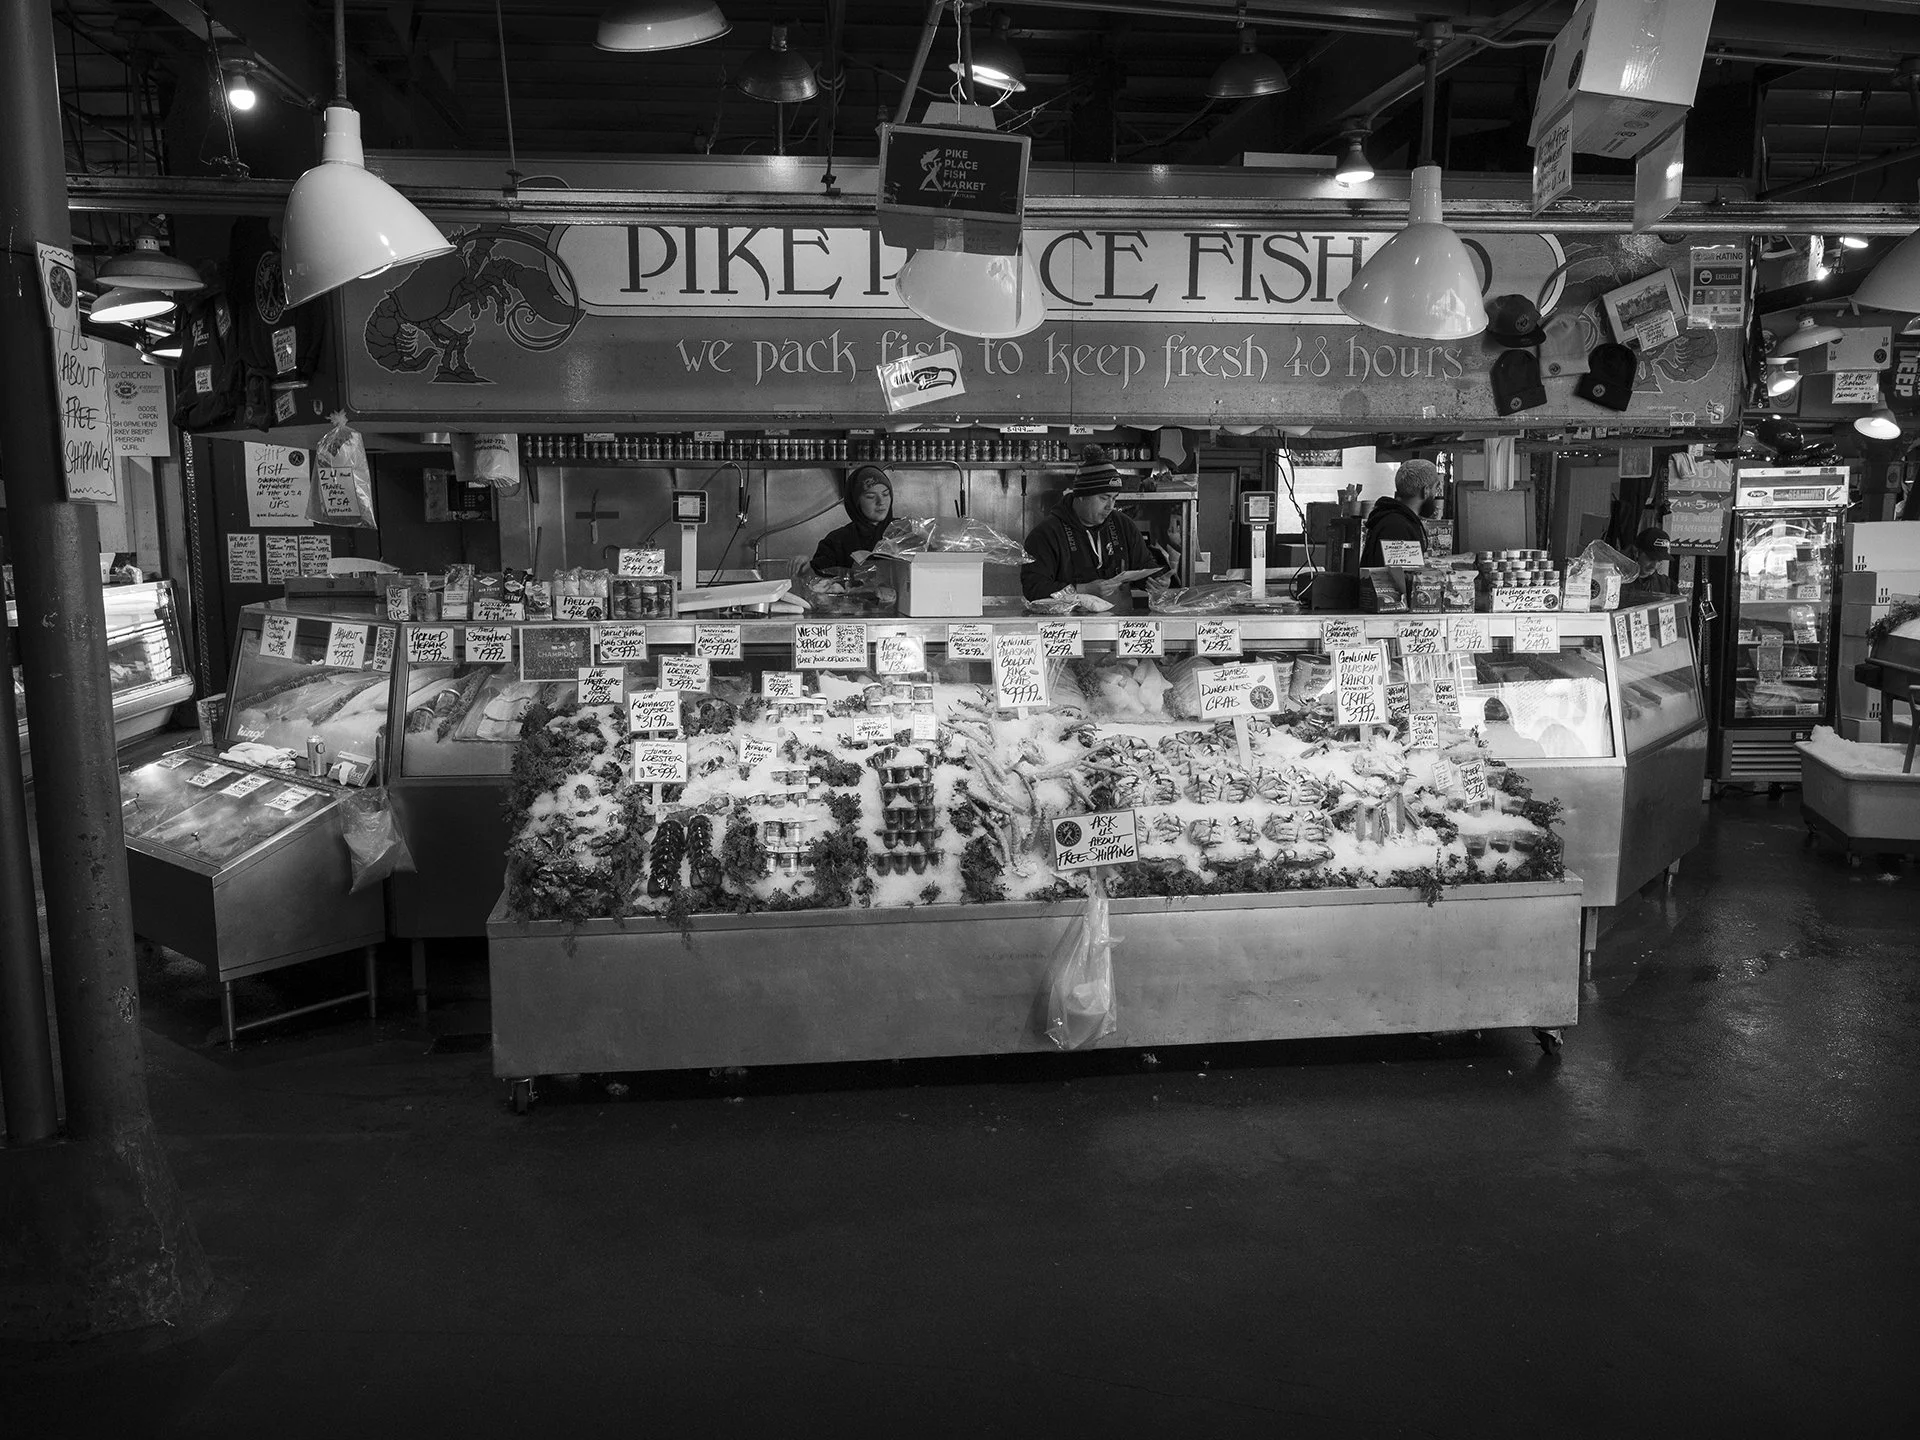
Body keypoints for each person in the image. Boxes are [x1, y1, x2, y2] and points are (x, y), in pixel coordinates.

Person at [1020, 447, 1166, 607]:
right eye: (1104, 498)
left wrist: (1156, 581)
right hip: (1067, 629)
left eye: (1114, 498)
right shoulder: (1046, 534)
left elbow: (1144, 565)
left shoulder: (1123, 525)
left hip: (1119, 625)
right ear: (1082, 495)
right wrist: (1083, 589)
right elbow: (1033, 588)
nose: (1110, 506)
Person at [809, 466, 896, 575]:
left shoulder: (905, 532)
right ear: (856, 502)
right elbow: (818, 578)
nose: (881, 502)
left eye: (885, 494)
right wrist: (806, 568)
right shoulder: (836, 541)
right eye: (870, 496)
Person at [1359, 458, 1440, 568]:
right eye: (1436, 487)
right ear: (1425, 491)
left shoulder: (1395, 520)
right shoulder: (1397, 527)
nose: (1436, 494)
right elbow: (1402, 577)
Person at [1625, 527, 1674, 599]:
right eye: (1651, 559)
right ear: (1636, 552)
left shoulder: (1667, 586)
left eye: (1660, 560)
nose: (1654, 566)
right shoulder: (1617, 581)